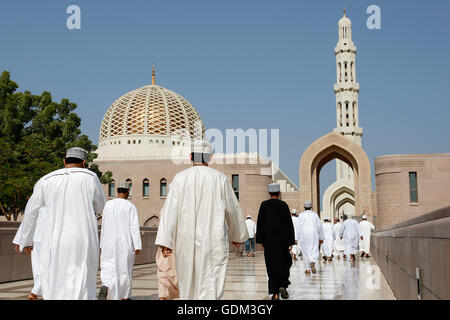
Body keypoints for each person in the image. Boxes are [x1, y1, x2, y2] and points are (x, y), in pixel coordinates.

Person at [155, 140, 249, 300]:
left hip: (186, 242)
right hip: (213, 242)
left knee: (188, 283)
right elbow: (233, 209)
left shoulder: (180, 179)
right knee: (212, 282)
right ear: (210, 158)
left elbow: (170, 211)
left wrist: (166, 241)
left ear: (191, 157)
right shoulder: (220, 178)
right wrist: (237, 236)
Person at [12, 147, 106, 299]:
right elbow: (102, 207)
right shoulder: (90, 177)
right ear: (83, 162)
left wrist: (26, 240)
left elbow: (31, 210)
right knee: (80, 280)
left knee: (54, 280)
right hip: (81, 239)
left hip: (52, 240)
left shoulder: (46, 179)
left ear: (64, 161)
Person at [98, 182, 142, 300]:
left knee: (108, 267)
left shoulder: (108, 205)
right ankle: (124, 296)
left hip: (108, 243)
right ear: (128, 191)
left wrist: (102, 243)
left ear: (117, 190)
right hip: (124, 243)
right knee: (124, 270)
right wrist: (137, 245)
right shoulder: (130, 206)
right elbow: (134, 226)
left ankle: (106, 285)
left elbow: (104, 225)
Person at [256, 183, 295, 300]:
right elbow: (289, 224)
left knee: (271, 265)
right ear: (279, 193)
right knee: (284, 263)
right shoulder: (283, 205)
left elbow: (260, 223)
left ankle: (275, 293)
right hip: (282, 241)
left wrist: (261, 240)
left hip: (269, 241)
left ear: (269, 193)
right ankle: (282, 284)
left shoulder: (264, 205)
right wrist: (290, 241)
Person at [13, 207, 48, 300]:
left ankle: (35, 292)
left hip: (40, 238)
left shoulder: (40, 200)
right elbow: (30, 217)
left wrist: (23, 241)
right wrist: (24, 241)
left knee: (41, 269)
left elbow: (30, 217)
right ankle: (35, 292)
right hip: (44, 238)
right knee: (43, 269)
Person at [296, 201, 324, 274]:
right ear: (311, 207)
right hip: (314, 234)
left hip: (304, 234)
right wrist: (321, 237)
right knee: (314, 248)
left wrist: (296, 238)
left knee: (305, 251)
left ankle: (308, 269)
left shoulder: (301, 215)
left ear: (304, 207)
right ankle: (313, 261)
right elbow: (319, 227)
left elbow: (298, 227)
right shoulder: (315, 215)